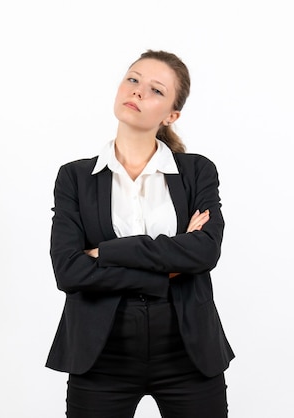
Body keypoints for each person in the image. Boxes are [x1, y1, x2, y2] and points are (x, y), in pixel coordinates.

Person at [45, 49, 235, 418]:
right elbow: (68, 271)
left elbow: (204, 252)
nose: (137, 92)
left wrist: (104, 253)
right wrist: (165, 273)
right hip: (100, 356)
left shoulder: (196, 172)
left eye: (155, 90)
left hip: (188, 352)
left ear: (171, 115)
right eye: (133, 79)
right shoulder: (74, 178)